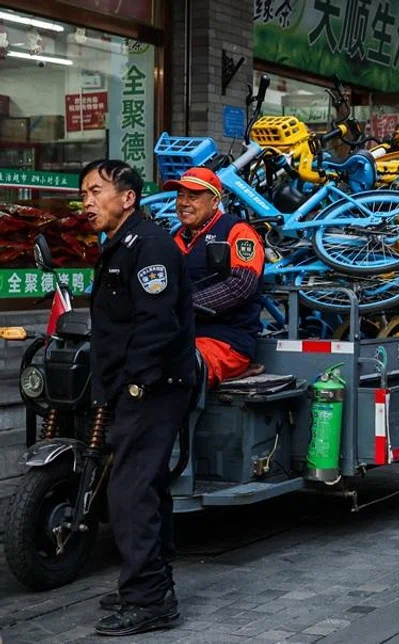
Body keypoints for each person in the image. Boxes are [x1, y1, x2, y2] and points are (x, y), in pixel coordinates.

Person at [81, 160, 195, 636]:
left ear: (127, 197)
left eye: (95, 191)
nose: (87, 202)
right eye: (83, 193)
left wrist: (134, 383)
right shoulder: (120, 245)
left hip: (152, 387)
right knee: (146, 487)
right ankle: (154, 585)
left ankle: (148, 599)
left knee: (129, 490)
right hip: (136, 385)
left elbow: (156, 324)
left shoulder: (148, 246)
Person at [161, 167, 265, 388]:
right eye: (180, 195)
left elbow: (241, 284)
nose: (184, 203)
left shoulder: (237, 231)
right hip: (179, 335)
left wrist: (184, 305)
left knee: (176, 371)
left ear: (215, 201)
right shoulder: (173, 238)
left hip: (226, 341)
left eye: (194, 196)